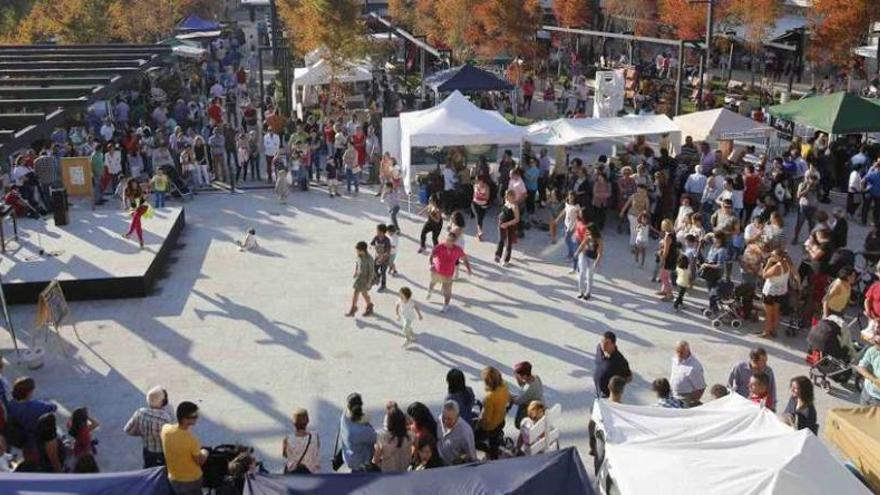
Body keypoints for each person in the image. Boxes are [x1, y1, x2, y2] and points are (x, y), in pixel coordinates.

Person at [161, 401, 208, 495]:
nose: (197, 419)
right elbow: (200, 461)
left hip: (173, 478)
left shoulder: (165, 429)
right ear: (185, 420)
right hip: (191, 481)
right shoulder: (190, 439)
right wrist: (205, 452)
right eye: (194, 417)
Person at [123, 386, 173, 468]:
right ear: (162, 402)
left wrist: (142, 433)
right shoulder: (165, 417)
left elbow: (127, 430)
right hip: (162, 452)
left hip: (147, 450)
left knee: (148, 469)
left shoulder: (140, 412)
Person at [7, 377, 57, 459]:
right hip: (36, 438)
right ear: (29, 392)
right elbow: (53, 407)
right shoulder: (35, 406)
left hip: (21, 438)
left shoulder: (11, 404)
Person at [428, 233, 472, 313]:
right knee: (432, 283)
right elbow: (432, 255)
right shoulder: (439, 247)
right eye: (447, 239)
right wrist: (431, 264)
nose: (447, 242)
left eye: (450, 241)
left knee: (447, 291)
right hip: (437, 272)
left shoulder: (458, 250)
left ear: (454, 242)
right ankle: (430, 291)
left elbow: (465, 259)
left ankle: (446, 306)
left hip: (448, 275)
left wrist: (468, 269)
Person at [474, 366, 509, 460]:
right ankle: (494, 452)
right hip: (501, 419)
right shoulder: (504, 386)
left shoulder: (489, 398)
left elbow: (486, 418)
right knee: (494, 443)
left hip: (490, 426)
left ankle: (489, 450)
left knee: (474, 440)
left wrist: (478, 421)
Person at [761, 249, 796, 338]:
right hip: (781, 291)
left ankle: (766, 332)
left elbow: (764, 275)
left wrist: (768, 263)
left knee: (768, 313)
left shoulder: (777, 267)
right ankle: (774, 330)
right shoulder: (788, 264)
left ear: (779, 257)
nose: (771, 257)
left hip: (770, 292)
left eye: (773, 256)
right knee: (776, 312)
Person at [339, 393, 377, 472]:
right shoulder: (360, 431)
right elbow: (375, 437)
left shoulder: (344, 416)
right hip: (361, 465)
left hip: (350, 457)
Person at [371, 403, 413, 472]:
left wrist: (382, 466)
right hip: (405, 471)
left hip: (388, 474)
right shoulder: (411, 436)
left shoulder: (382, 439)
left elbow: (375, 461)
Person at [594, 331, 632, 398]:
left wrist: (615, 388)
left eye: (607, 343)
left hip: (608, 397)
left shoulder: (620, 361)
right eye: (602, 342)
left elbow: (629, 377)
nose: (603, 345)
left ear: (613, 344)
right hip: (598, 393)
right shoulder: (599, 349)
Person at [436, 400, 476, 465]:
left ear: (457, 417)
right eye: (444, 417)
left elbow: (471, 456)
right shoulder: (439, 420)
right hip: (439, 462)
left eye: (449, 419)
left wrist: (461, 459)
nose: (445, 421)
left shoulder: (465, 432)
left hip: (454, 467)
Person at [282, 408, 320, 474]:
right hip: (311, 475)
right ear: (307, 421)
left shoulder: (287, 439)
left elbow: (285, 455)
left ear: (294, 423)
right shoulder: (315, 437)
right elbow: (316, 451)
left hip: (293, 474)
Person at [670, 341, 706, 406]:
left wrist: (691, 403)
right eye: (677, 351)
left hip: (685, 398)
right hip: (673, 394)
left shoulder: (694, 367)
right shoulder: (675, 359)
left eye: (681, 352)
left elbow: (701, 388)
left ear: (688, 351)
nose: (679, 354)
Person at [510, 361, 544, 429]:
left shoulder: (528, 389)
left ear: (524, 376)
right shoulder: (536, 377)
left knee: (518, 423)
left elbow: (517, 401)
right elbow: (523, 385)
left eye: (518, 375)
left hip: (533, 409)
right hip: (540, 403)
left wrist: (508, 395)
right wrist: (518, 378)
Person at [574, 223, 603, 301]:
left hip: (593, 259)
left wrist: (597, 261)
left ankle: (588, 293)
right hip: (584, 255)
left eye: (589, 231)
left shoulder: (598, 240)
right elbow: (582, 244)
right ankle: (581, 292)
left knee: (589, 276)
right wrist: (577, 252)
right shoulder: (587, 236)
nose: (587, 232)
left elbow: (600, 252)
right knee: (582, 273)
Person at [346, 241, 375, 318]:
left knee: (362, 293)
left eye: (358, 250)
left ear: (363, 250)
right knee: (359, 293)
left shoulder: (369, 259)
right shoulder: (359, 256)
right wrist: (356, 272)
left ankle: (367, 306)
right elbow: (357, 263)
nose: (357, 251)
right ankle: (355, 308)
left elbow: (371, 272)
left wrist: (369, 283)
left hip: (365, 279)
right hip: (359, 278)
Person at [495, 190, 521, 266]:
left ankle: (506, 260)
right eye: (505, 195)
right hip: (501, 223)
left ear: (512, 197)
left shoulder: (515, 206)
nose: (505, 197)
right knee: (501, 240)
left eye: (507, 195)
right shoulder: (506, 201)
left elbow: (517, 219)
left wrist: (507, 224)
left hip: (510, 226)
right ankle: (498, 255)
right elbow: (504, 211)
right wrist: (500, 216)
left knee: (509, 242)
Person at [855, 334, 880, 405]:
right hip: (866, 392)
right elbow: (860, 367)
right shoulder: (873, 350)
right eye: (875, 341)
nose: (875, 344)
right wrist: (874, 380)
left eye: (878, 342)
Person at [371, 224, 391, 292]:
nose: (376, 232)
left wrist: (382, 258)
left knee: (383, 272)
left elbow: (388, 252)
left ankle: (383, 285)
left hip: (385, 259)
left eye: (378, 231)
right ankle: (376, 278)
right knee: (374, 269)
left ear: (382, 232)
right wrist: (372, 247)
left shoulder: (387, 240)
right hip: (377, 257)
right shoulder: (376, 237)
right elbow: (372, 244)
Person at [472, 175, 491, 241]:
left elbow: (487, 197)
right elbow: (474, 194)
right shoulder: (475, 185)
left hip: (483, 204)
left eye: (478, 180)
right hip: (475, 203)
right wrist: (478, 196)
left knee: (481, 219)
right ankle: (480, 231)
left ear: (482, 180)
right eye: (476, 180)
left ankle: (479, 234)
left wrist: (480, 195)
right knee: (478, 216)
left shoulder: (486, 187)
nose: (476, 182)